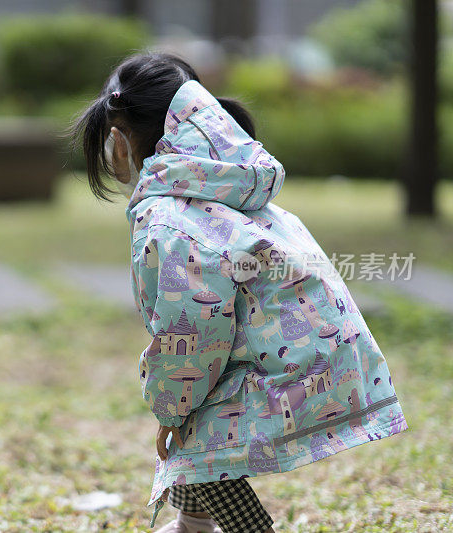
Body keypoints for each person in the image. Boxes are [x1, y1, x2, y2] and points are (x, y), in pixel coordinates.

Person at [71, 53, 408, 532]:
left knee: (195, 438)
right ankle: (192, 526)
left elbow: (190, 334)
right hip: (332, 357)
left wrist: (170, 405)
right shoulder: (232, 189)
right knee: (198, 431)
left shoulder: (171, 221)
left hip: (291, 367)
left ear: (119, 140)